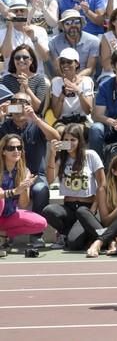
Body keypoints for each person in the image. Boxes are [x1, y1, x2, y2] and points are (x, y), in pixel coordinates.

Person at [0, 92, 60, 248]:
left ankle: (36, 237)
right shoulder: (4, 126)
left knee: (41, 189)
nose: (19, 105)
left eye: (23, 102)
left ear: (30, 106)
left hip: (34, 175)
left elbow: (56, 137)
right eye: (15, 102)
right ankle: (3, 233)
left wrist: (36, 118)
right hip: (8, 175)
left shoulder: (36, 124)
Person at [43, 123, 106, 251]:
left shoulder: (91, 155)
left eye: (73, 140)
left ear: (80, 141)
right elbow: (50, 180)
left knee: (73, 244)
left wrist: (94, 207)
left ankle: (94, 237)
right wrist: (52, 154)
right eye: (66, 140)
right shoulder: (62, 159)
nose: (69, 143)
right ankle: (66, 233)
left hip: (86, 208)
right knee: (48, 210)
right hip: (69, 208)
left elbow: (102, 184)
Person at [85, 154, 117, 258]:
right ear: (114, 172)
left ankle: (99, 242)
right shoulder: (104, 190)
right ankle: (110, 241)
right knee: (82, 212)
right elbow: (105, 222)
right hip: (108, 228)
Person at [0, 134, 47, 249]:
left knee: (41, 224)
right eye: (11, 148)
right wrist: (15, 191)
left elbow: (23, 204)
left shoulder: (24, 171)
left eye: (19, 148)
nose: (16, 151)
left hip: (9, 215)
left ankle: (3, 234)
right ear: (3, 151)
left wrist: (24, 188)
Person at [50, 48, 95, 131]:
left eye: (69, 62)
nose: (65, 65)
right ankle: (65, 145)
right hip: (63, 121)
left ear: (77, 64)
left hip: (82, 120)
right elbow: (56, 114)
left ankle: (72, 145)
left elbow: (88, 110)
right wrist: (62, 95)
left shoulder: (87, 81)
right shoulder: (56, 82)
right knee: (60, 131)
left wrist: (78, 91)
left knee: (77, 131)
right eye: (62, 62)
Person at [49, 10, 100, 78]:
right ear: (63, 26)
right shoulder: (54, 42)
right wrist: (68, 80)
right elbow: (57, 68)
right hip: (63, 78)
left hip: (85, 78)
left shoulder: (93, 41)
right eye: (68, 23)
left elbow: (90, 68)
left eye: (76, 22)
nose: (73, 25)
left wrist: (76, 79)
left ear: (81, 24)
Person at [1, 45, 48, 115]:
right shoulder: (5, 80)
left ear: (31, 60)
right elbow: (3, 109)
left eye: (25, 57)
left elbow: (38, 108)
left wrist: (27, 88)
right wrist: (22, 108)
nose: (21, 60)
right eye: (17, 58)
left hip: (33, 120)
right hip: (9, 121)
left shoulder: (39, 79)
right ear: (13, 60)